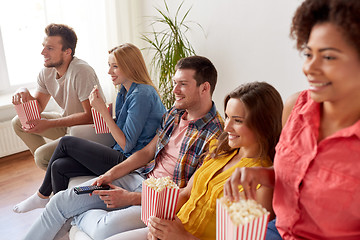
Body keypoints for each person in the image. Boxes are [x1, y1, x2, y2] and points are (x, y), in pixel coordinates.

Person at [22, 55, 224, 240]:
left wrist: (130, 198)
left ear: (204, 88)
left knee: (102, 229)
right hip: (139, 176)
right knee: (60, 201)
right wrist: (109, 175)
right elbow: (146, 153)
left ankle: (75, 214)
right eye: (174, 83)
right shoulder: (175, 114)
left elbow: (187, 194)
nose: (174, 91)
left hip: (162, 201)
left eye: (183, 84)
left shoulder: (216, 136)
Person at [224, 1, 360, 239]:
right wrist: (261, 175)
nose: (309, 67)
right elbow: (294, 174)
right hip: (276, 231)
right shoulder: (296, 107)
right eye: (308, 53)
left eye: (328, 57)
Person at [112, 81, 283, 240]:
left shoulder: (263, 182)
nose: (227, 127)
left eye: (237, 121)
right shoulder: (220, 150)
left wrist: (183, 237)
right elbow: (185, 194)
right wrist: (159, 222)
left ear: (263, 124)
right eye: (227, 117)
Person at [13, 43, 166, 213]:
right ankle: (59, 215)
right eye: (109, 66)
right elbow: (123, 127)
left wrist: (102, 111)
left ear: (130, 66)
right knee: (59, 166)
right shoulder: (124, 90)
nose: (109, 72)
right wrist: (102, 113)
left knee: (66, 142)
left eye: (115, 66)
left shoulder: (142, 95)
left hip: (130, 162)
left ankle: (41, 195)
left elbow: (126, 145)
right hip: (118, 152)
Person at [11, 23, 105, 170]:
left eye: (50, 48)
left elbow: (91, 116)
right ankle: (55, 168)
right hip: (68, 124)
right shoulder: (46, 72)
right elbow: (38, 107)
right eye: (44, 46)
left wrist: (48, 124)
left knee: (41, 156)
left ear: (67, 52)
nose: (43, 52)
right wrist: (24, 91)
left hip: (90, 131)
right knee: (18, 123)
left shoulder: (82, 71)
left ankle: (54, 165)